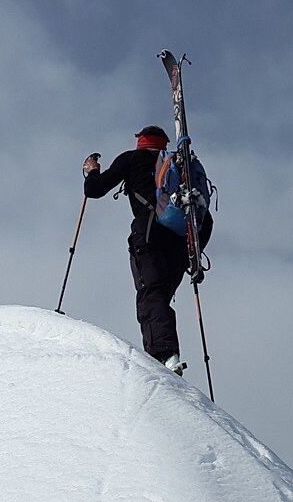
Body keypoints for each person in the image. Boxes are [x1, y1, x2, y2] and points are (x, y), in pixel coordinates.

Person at [83, 126, 211, 373]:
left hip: (149, 237)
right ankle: (165, 352)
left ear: (140, 142)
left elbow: (94, 190)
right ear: (163, 144)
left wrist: (91, 171)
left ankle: (164, 356)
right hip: (179, 246)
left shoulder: (132, 159)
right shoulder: (177, 167)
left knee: (151, 294)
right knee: (160, 296)